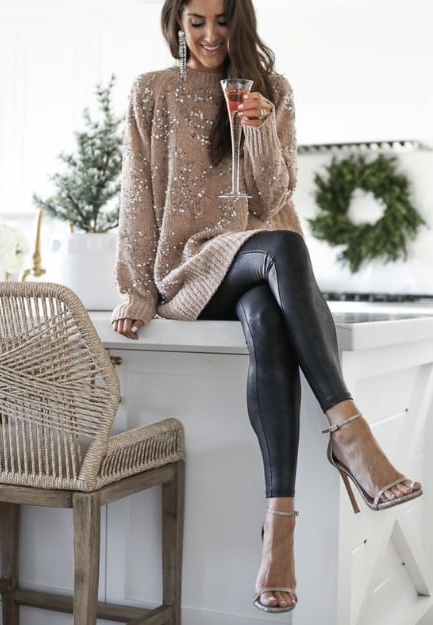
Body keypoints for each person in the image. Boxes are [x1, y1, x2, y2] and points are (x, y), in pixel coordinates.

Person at [111, 0, 423, 614]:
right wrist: (136, 291)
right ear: (175, 23)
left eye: (221, 20)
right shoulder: (152, 92)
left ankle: (278, 525)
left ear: (239, 22)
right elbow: (137, 193)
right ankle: (351, 436)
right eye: (194, 21)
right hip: (194, 270)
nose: (207, 34)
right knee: (283, 245)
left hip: (259, 270)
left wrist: (258, 125)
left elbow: (273, 195)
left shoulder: (271, 88)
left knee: (266, 314)